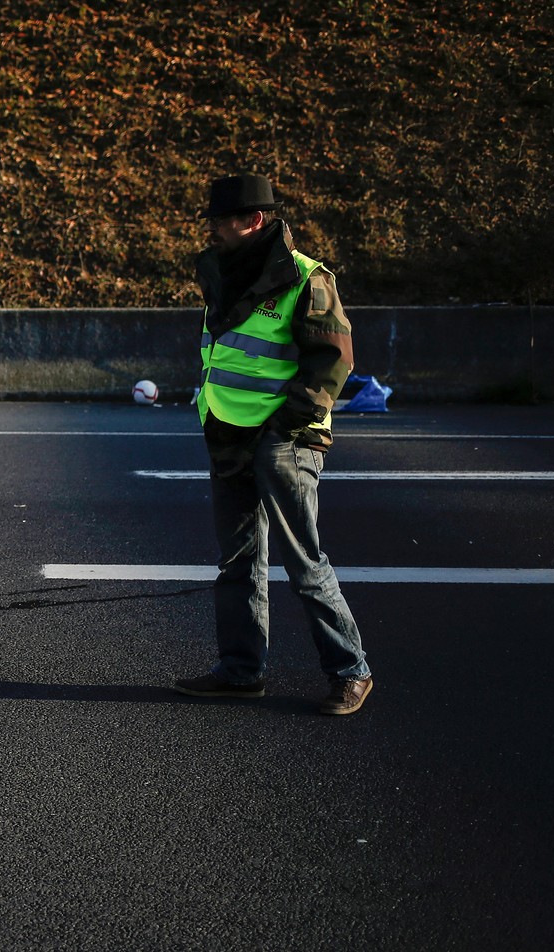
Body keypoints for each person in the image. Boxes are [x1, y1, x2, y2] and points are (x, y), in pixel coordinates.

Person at [174, 174, 375, 715]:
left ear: (254, 221)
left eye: (221, 220)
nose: (211, 229)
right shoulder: (221, 269)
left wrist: (284, 427)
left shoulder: (306, 278)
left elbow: (333, 360)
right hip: (227, 429)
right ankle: (241, 672)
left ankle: (350, 670)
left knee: (303, 561)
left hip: (282, 438)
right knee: (238, 559)